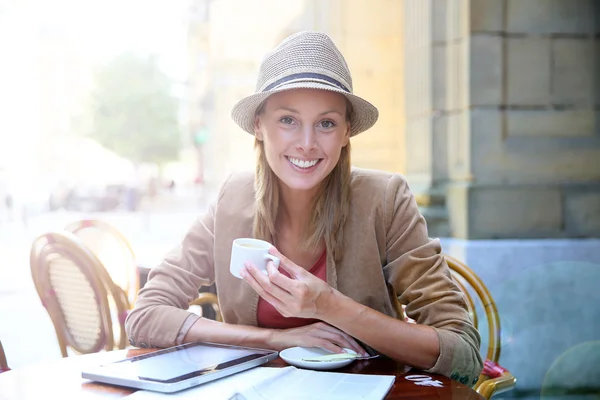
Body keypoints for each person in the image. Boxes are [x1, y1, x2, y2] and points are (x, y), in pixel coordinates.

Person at [126, 31, 483, 384]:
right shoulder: (232, 200)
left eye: (326, 123)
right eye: (288, 120)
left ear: (346, 134)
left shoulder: (385, 199)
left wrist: (329, 306)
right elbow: (145, 317)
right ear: (259, 126)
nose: (307, 144)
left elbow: (463, 353)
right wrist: (274, 340)